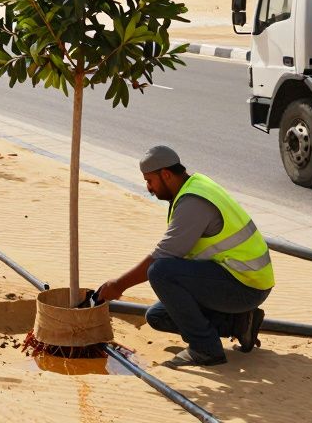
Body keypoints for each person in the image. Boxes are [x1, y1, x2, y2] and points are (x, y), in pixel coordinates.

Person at [95, 145, 273, 368]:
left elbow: (162, 256)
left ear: (166, 175)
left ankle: (205, 349)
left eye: (150, 181)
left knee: (161, 272)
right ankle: (239, 323)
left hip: (246, 286)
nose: (149, 188)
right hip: (237, 278)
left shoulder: (193, 202)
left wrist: (118, 285)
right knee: (158, 316)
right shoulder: (195, 185)